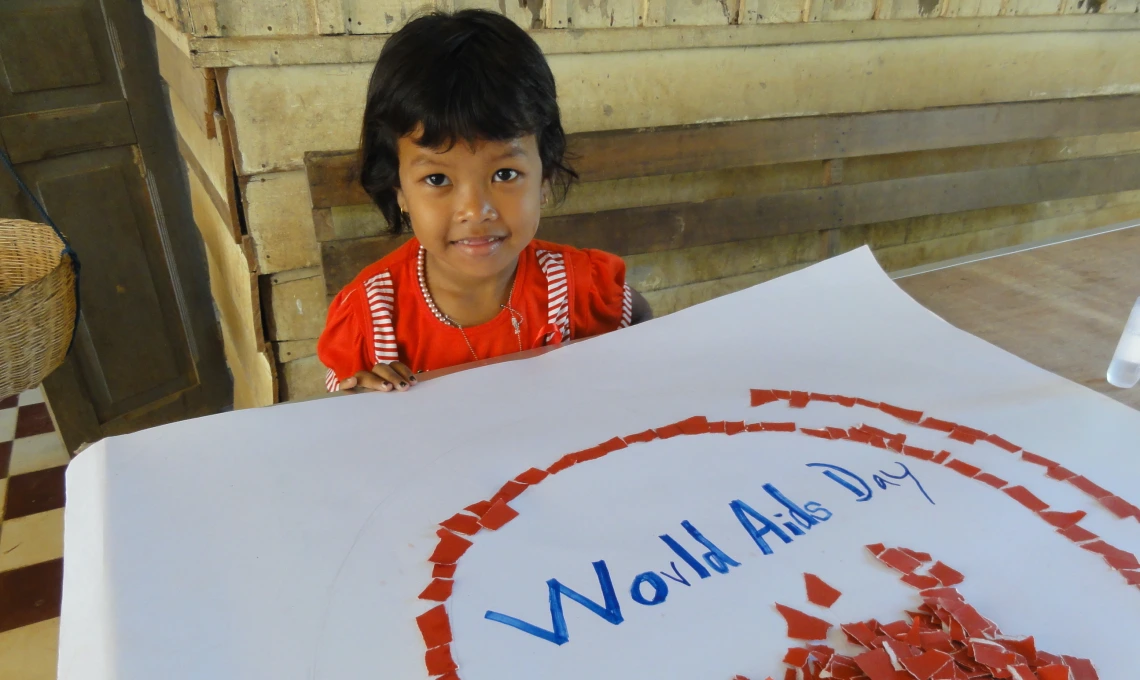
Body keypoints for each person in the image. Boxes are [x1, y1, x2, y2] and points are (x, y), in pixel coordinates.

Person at [317, 9, 652, 393]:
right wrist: (358, 400)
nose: (476, 211)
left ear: (545, 178)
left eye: (505, 174)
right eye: (437, 178)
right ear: (398, 190)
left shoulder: (580, 290)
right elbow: (342, 415)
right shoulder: (371, 321)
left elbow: (641, 318)